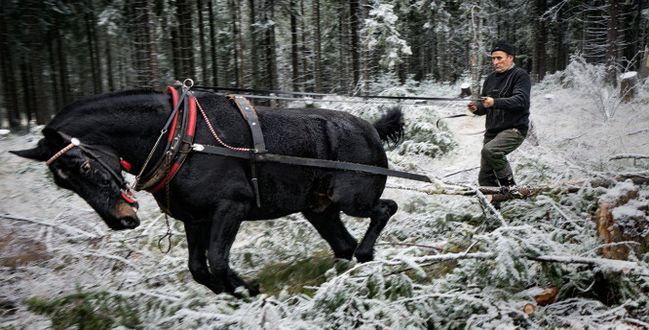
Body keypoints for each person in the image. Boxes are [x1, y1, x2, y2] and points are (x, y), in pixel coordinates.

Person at [468, 40, 531, 188]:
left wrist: (495, 102)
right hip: (491, 132)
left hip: (514, 130)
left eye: (499, 58)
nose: (495, 62)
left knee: (491, 150)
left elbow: (520, 100)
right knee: (485, 178)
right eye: (493, 58)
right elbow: (485, 105)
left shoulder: (520, 76)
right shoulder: (490, 79)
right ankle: (494, 208)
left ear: (510, 58)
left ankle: (510, 187)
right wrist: (476, 108)